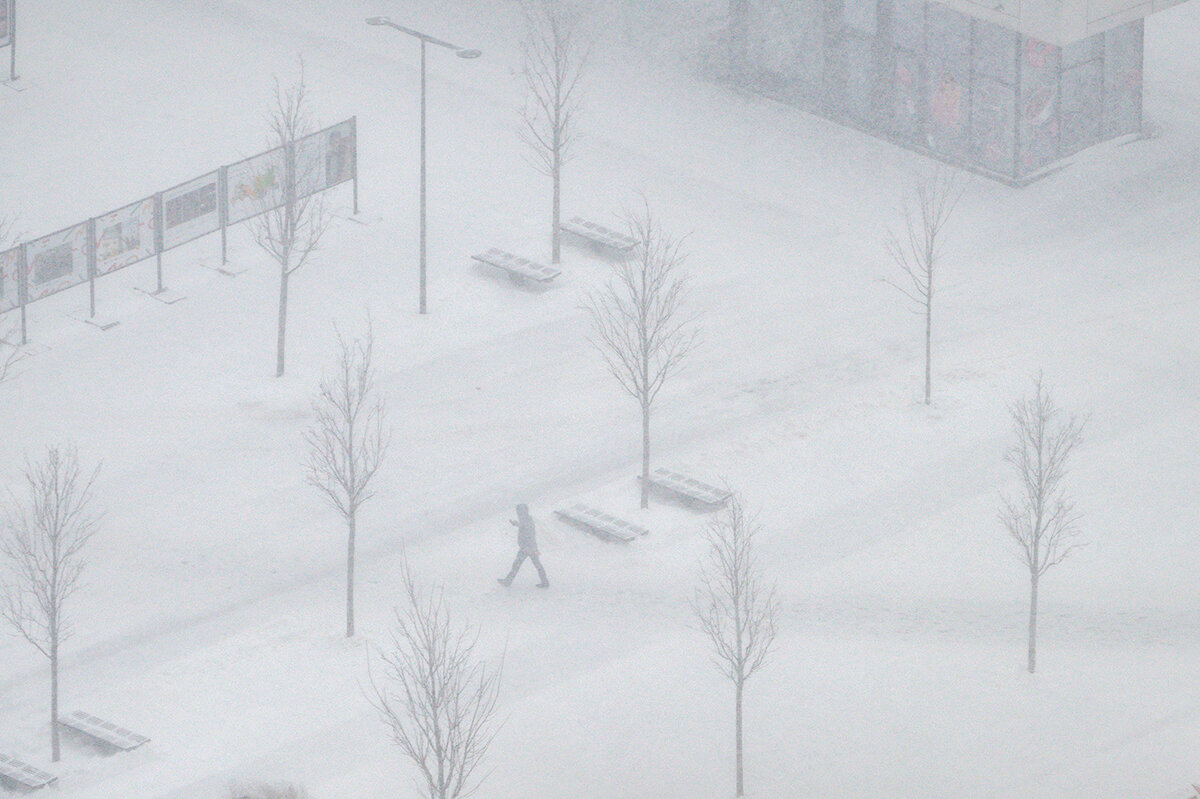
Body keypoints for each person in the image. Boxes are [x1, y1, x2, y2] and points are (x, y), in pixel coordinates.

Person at [498, 503, 549, 588]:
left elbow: (529, 532)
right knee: (534, 564)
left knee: (519, 564)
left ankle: (508, 581)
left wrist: (528, 547)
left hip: (527, 547)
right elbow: (524, 526)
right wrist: (516, 524)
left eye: (519, 511)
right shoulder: (525, 519)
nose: (518, 512)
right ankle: (544, 581)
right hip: (528, 546)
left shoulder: (526, 519)